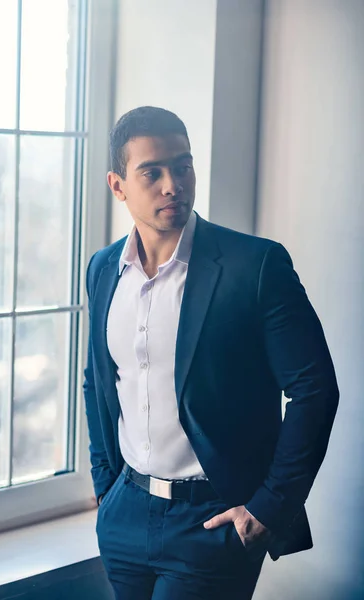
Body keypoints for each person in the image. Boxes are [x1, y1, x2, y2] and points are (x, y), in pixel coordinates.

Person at [83, 106, 339, 600]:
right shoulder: (102, 269)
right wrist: (105, 483)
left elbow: (314, 390)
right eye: (152, 173)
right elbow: (98, 378)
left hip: (211, 520)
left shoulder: (255, 265)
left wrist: (268, 508)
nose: (172, 184)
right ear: (118, 185)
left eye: (182, 166)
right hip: (126, 514)